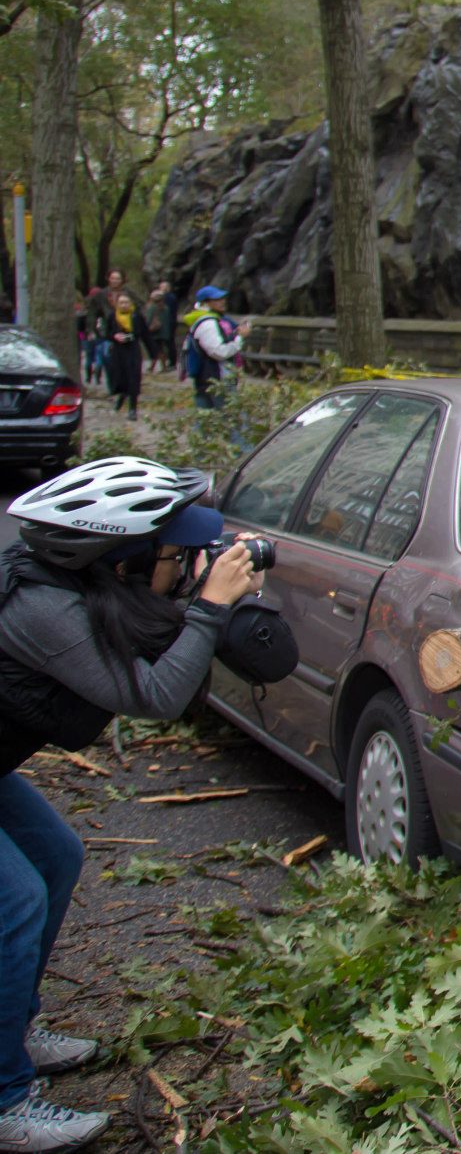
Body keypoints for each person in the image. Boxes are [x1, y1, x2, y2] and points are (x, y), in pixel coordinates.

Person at [0, 457, 265, 1150]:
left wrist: (212, 603)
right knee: (16, 897)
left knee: (57, 856)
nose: (188, 564)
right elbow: (151, 694)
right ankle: (4, 1097)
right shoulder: (43, 609)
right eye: (177, 554)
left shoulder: (72, 584)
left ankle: (15, 1024)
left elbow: (145, 626)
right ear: (122, 556)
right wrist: (208, 608)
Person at [183, 286, 250, 411]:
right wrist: (239, 338)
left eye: (222, 298)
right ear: (205, 303)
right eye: (216, 299)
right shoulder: (208, 323)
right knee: (234, 421)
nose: (222, 302)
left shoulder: (210, 320)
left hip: (206, 378)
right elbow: (219, 352)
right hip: (218, 379)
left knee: (206, 422)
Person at [99, 292, 143, 421]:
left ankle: (133, 409)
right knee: (120, 377)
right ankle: (121, 396)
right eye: (121, 303)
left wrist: (129, 337)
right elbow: (106, 333)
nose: (124, 305)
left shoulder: (136, 316)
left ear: (131, 304)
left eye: (126, 302)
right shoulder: (112, 316)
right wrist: (114, 336)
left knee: (133, 378)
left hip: (133, 351)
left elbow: (141, 332)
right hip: (118, 352)